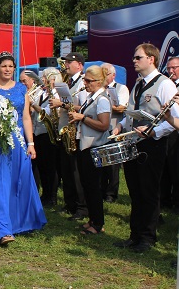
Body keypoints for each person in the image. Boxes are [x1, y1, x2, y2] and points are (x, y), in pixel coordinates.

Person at [0, 51, 46, 245]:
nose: (7, 69)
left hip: (18, 143)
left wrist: (30, 143)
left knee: (17, 182)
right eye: (4, 66)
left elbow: (26, 117)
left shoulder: (22, 89)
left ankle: (17, 221)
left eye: (11, 66)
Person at [112, 43, 179, 253]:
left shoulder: (165, 84)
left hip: (152, 145)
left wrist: (154, 132)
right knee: (135, 191)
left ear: (151, 59)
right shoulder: (139, 83)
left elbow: (174, 119)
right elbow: (131, 111)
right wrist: (121, 125)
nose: (134, 61)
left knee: (149, 191)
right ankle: (135, 235)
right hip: (134, 142)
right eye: (134, 57)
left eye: (138, 57)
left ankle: (148, 238)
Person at [68, 65, 111, 235]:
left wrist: (83, 118)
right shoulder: (92, 97)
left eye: (88, 81)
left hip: (95, 148)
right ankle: (93, 219)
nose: (85, 83)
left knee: (93, 186)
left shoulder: (102, 99)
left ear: (98, 82)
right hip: (85, 146)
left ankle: (98, 223)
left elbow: (104, 125)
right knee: (87, 184)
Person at [49, 52, 88, 221]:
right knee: (66, 170)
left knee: (76, 171)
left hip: (77, 130)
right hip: (66, 129)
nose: (66, 65)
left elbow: (84, 106)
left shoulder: (84, 81)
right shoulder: (67, 82)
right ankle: (70, 203)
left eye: (69, 63)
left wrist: (61, 104)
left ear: (79, 65)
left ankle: (81, 206)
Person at [28, 67, 61, 206]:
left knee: (50, 167)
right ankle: (45, 194)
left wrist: (32, 104)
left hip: (49, 134)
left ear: (53, 79)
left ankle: (52, 196)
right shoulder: (41, 92)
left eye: (45, 78)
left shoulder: (56, 95)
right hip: (37, 132)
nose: (42, 80)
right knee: (41, 166)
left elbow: (46, 113)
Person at [100, 63, 130, 203]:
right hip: (101, 128)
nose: (104, 76)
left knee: (113, 164)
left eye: (106, 73)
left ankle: (111, 193)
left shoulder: (121, 88)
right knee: (101, 161)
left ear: (113, 75)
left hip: (114, 127)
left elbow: (121, 108)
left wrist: (102, 104)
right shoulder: (100, 88)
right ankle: (102, 188)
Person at [160, 56, 179, 210]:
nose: (171, 71)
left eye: (175, 68)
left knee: (175, 166)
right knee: (166, 165)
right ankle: (165, 198)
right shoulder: (166, 84)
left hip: (176, 130)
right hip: (167, 127)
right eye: (169, 68)